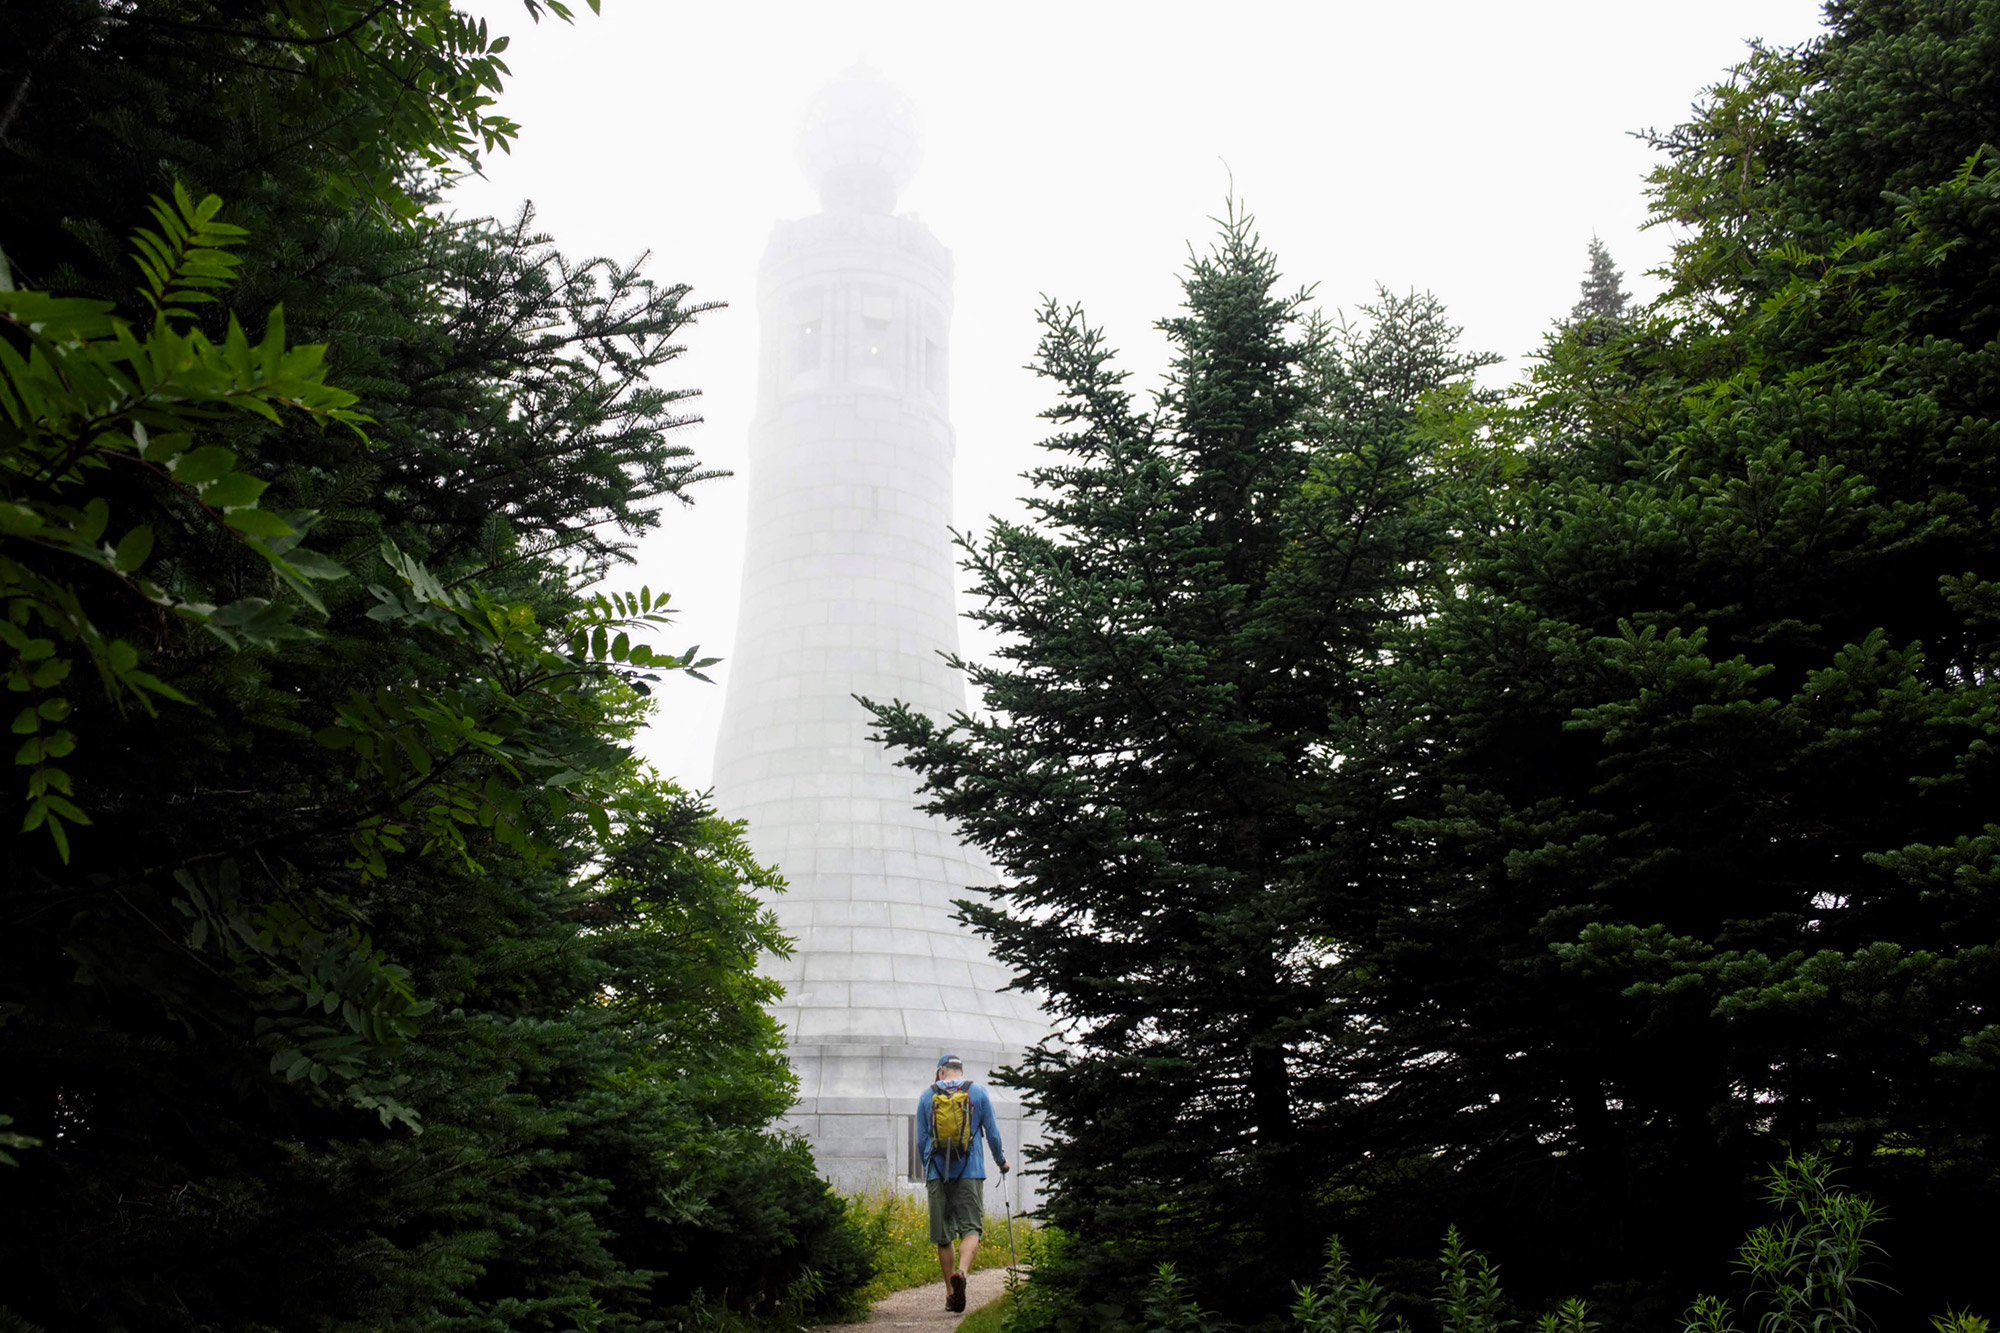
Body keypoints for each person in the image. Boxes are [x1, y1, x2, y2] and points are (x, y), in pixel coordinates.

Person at [916, 1052, 1008, 1313]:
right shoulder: (976, 1092)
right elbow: (992, 1133)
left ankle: (949, 1293)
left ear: (940, 1072)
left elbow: (922, 1140)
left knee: (943, 1236)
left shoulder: (927, 1095)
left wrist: (930, 1171)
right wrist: (1001, 1161)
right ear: (961, 1071)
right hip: (971, 1171)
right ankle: (963, 1273)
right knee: (971, 1229)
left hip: (937, 1173)